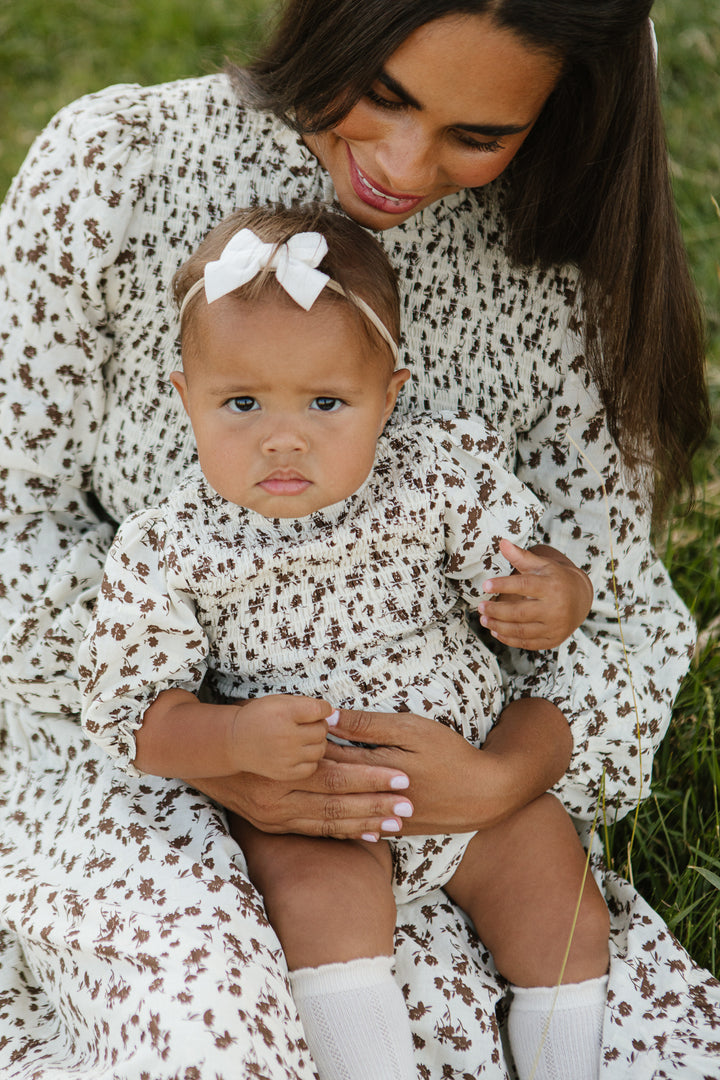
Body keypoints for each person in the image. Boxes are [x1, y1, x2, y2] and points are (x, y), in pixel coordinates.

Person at [0, 1, 716, 1078]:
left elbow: (613, 615)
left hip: (454, 796)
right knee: (210, 1027)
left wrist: (499, 778)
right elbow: (13, 529)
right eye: (383, 94)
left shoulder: (554, 267)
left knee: (520, 1021)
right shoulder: (117, 168)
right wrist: (219, 747)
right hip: (128, 766)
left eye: (480, 135)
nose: (399, 163)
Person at [80, 203, 608, 1080]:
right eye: (241, 403)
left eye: (327, 402)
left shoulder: (433, 476)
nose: (283, 437)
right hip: (310, 802)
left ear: (389, 397)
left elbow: (527, 567)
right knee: (321, 909)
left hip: (472, 774)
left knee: (563, 908)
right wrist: (233, 738)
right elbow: (134, 716)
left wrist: (558, 594)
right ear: (185, 399)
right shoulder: (171, 545)